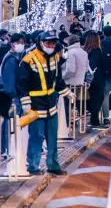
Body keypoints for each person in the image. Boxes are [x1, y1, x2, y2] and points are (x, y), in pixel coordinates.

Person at [17, 29, 69, 175]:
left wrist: (67, 93)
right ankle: (33, 166)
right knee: (36, 138)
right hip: (35, 107)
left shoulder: (55, 58)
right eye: (48, 43)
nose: (51, 46)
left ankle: (53, 166)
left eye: (53, 43)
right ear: (41, 42)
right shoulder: (29, 59)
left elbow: (58, 80)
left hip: (51, 105)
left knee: (52, 138)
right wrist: (26, 104)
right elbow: (21, 84)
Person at [0, 33, 25, 157]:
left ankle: (7, 148)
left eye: (22, 42)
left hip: (11, 95)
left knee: (9, 123)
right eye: (19, 42)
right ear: (12, 44)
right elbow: (9, 82)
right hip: (11, 96)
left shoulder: (14, 57)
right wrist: (14, 95)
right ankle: (7, 149)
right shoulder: (11, 59)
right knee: (10, 123)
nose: (21, 45)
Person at [83, 30, 106, 130]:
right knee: (98, 98)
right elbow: (94, 65)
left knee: (92, 98)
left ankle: (94, 119)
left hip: (88, 77)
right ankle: (95, 120)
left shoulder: (86, 50)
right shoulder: (96, 50)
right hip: (97, 77)